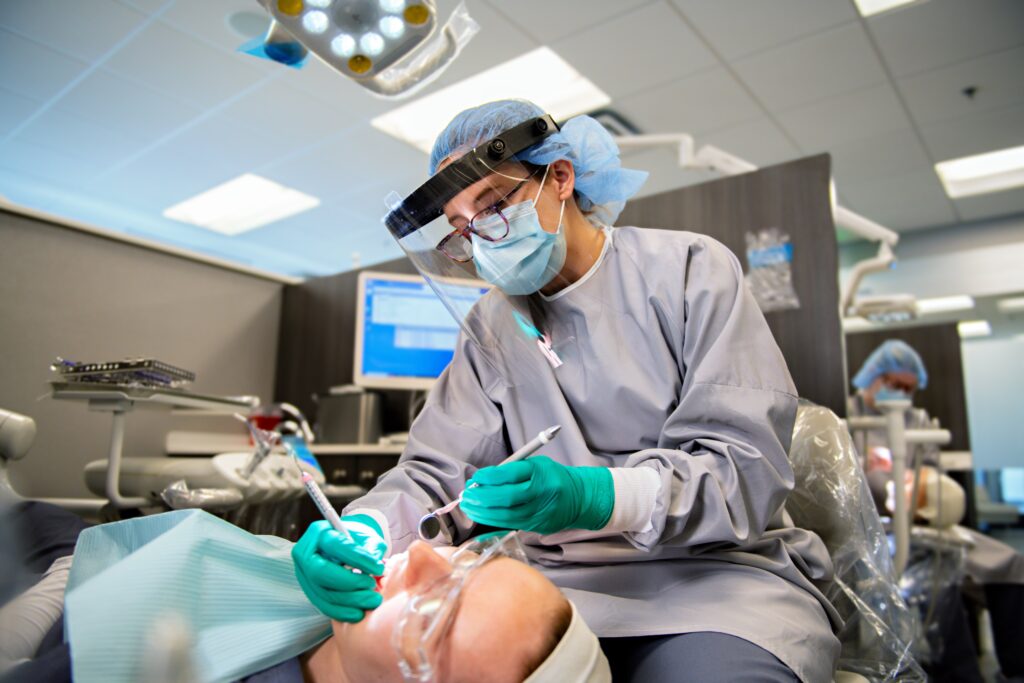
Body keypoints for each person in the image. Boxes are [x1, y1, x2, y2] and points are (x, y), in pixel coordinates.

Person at [294, 99, 841, 682]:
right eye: (461, 231)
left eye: (494, 206)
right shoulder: (491, 324)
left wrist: (594, 495)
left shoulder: (687, 270)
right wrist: (367, 528)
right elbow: (434, 472)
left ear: (560, 176)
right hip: (550, 589)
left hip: (716, 582)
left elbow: (744, 469)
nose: (482, 242)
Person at [3, 505, 607, 683]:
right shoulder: (321, 605)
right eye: (466, 562)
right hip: (95, 547)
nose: (420, 553)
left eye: (436, 611)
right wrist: (372, 519)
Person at [848, 339, 1024, 681]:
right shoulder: (848, 418)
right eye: (893, 384)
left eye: (907, 388)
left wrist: (919, 490)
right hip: (878, 527)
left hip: (925, 520)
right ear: (873, 376)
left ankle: (1017, 667)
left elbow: (931, 473)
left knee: (1010, 563)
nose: (900, 393)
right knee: (936, 586)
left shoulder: (919, 421)